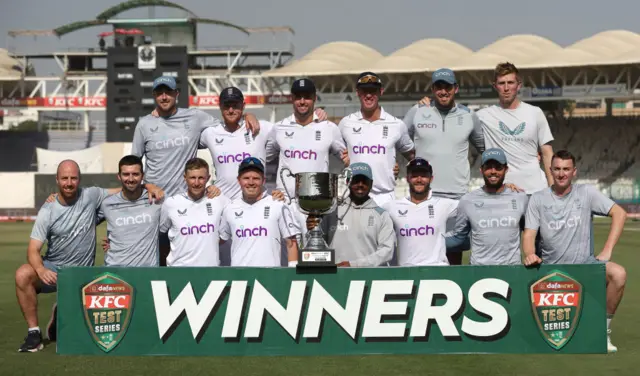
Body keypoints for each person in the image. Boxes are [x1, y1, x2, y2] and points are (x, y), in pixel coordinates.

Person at [522, 150, 627, 353]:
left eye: (566, 169)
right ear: (550, 171)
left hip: (585, 266)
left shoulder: (586, 193)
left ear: (574, 172)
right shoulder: (538, 199)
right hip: (550, 270)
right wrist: (529, 253)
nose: (561, 174)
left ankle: (602, 333)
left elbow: (619, 213)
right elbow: (528, 235)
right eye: (557, 169)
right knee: (543, 335)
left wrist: (607, 249)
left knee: (618, 274)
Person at [15, 160, 123, 352]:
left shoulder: (91, 195)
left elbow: (123, 191)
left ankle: (63, 310)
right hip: (55, 272)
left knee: (91, 333)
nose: (69, 182)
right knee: (23, 274)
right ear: (57, 180)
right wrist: (40, 269)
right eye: (65, 178)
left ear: (79, 179)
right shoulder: (47, 211)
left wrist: (147, 185)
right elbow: (32, 249)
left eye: (73, 178)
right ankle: (34, 334)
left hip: (84, 276)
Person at [132, 76, 236, 265]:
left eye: (168, 92)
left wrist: (247, 117)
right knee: (153, 263)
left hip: (187, 204)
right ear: (154, 95)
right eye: (160, 93)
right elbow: (133, 165)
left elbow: (228, 126)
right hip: (154, 204)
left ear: (177, 94)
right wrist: (147, 185)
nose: (164, 97)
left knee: (186, 258)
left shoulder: (195, 117)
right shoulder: (144, 124)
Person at [406, 68, 485, 265]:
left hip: (456, 197)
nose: (443, 91)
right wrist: (410, 160)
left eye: (447, 87)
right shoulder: (417, 112)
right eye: (439, 87)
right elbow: (398, 140)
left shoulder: (469, 116)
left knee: (453, 252)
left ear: (455, 88)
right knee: (422, 250)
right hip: (424, 196)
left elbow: (484, 146)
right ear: (432, 89)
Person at [339, 72, 415, 207]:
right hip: (354, 196)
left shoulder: (396, 124)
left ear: (381, 91)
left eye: (373, 91)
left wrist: (397, 168)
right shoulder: (346, 123)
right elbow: (329, 148)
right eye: (364, 91)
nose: (368, 95)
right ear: (357, 92)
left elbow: (412, 155)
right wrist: (343, 159)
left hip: (386, 197)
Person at [476, 62, 554, 193]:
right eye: (501, 83)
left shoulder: (535, 113)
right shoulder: (482, 116)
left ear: (519, 85)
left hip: (535, 190)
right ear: (495, 86)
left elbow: (547, 153)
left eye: (511, 83)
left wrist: (553, 188)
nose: (506, 88)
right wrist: (429, 109)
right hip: (503, 191)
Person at [266, 78, 349, 198]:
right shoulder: (279, 128)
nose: (302, 101)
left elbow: (347, 161)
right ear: (292, 98)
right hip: (285, 203)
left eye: (307, 97)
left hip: (317, 203)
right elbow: (263, 159)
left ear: (315, 98)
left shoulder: (329, 128)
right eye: (298, 97)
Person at [445, 148, 529, 265]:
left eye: (498, 167)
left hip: (512, 272)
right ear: (481, 170)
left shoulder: (520, 197)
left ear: (506, 169)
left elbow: (531, 233)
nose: (493, 171)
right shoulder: (468, 200)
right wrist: (428, 241)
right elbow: (458, 237)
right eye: (488, 167)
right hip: (479, 272)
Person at [306, 162, 395, 267]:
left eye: (364, 181)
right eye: (356, 181)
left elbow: (387, 252)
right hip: (335, 276)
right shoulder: (331, 211)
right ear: (348, 182)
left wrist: (354, 265)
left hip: (368, 279)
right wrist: (312, 230)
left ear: (371, 184)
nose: (360, 185)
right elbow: (316, 246)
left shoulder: (382, 215)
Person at [219, 157, 301, 266]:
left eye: (256, 178)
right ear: (239, 180)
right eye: (246, 178)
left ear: (263, 180)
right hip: (239, 278)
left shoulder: (278, 205)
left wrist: (292, 274)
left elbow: (291, 243)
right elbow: (219, 240)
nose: (251, 182)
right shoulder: (229, 208)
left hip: (269, 277)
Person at [199, 86, 275, 200]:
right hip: (222, 203)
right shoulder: (209, 133)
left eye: (235, 106)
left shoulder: (260, 127)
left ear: (243, 106)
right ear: (219, 106)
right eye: (226, 106)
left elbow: (292, 133)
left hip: (254, 204)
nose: (231, 110)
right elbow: (185, 144)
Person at [383, 158, 458, 266]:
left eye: (423, 175)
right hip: (407, 274)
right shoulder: (391, 206)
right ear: (407, 178)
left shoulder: (444, 204)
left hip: (438, 272)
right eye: (414, 176)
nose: (419, 179)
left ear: (431, 178)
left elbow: (471, 206)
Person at [159, 158, 230, 267]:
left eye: (201, 178)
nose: (196, 183)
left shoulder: (220, 201)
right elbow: (160, 234)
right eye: (192, 178)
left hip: (210, 272)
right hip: (178, 271)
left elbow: (225, 235)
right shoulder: (171, 204)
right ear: (185, 178)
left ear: (208, 178)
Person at [98, 155, 163, 267]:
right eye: (126, 174)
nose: (131, 179)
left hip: (148, 273)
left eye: (135, 174)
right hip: (115, 273)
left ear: (142, 176)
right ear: (119, 176)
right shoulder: (107, 204)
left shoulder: (156, 200)